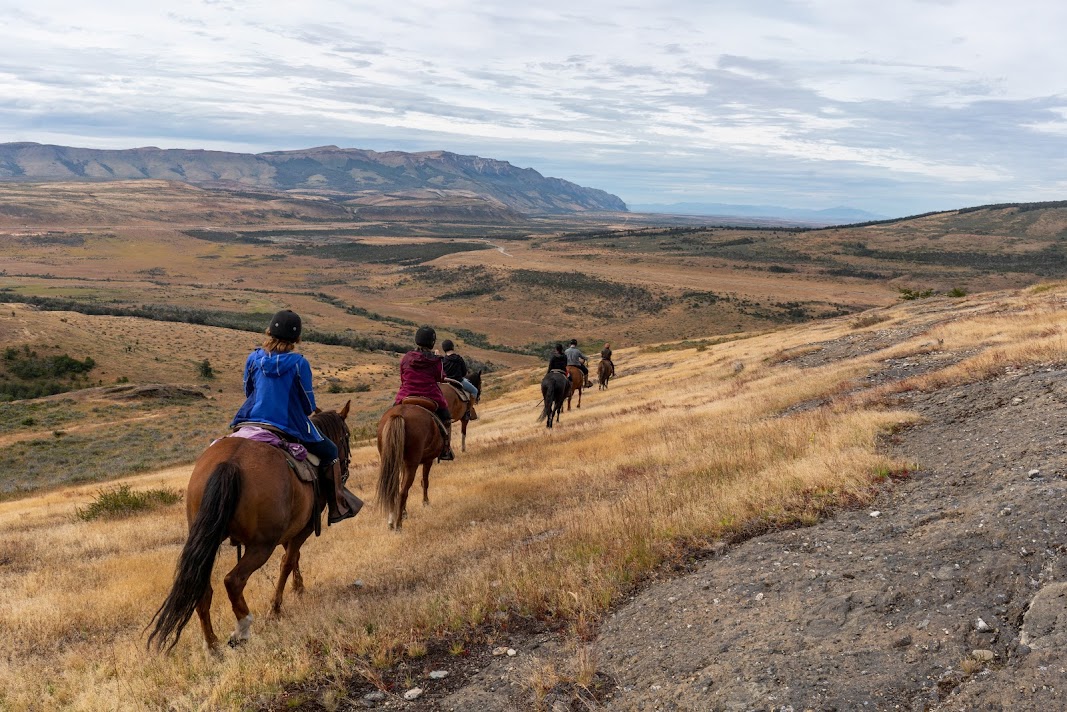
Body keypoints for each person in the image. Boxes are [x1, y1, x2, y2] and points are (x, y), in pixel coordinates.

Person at [231, 309, 361, 524]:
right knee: (330, 451)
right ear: (296, 338)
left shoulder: (253, 358)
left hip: (251, 419)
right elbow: (308, 405)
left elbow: (248, 391)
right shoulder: (299, 363)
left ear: (269, 332)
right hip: (287, 424)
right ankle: (338, 507)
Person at [394, 326, 454, 461]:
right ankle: (445, 449)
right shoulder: (435, 360)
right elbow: (440, 377)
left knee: (392, 413)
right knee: (446, 418)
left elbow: (403, 377)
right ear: (432, 342)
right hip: (430, 395)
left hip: (406, 394)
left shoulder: (406, 357)